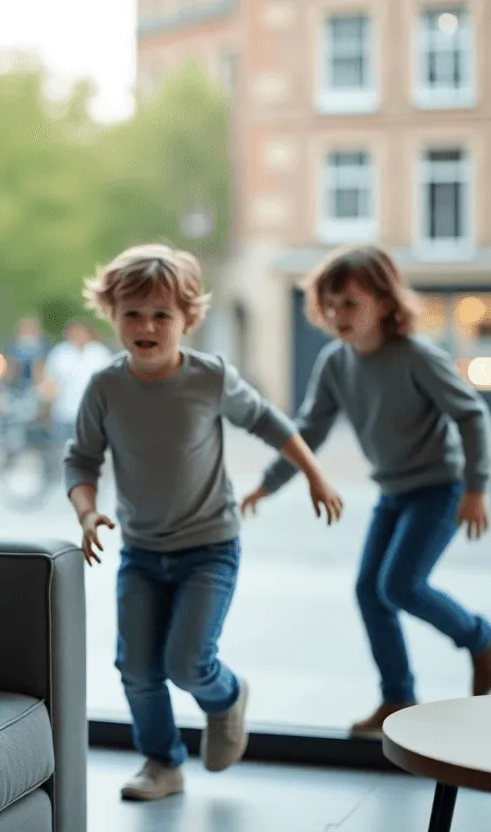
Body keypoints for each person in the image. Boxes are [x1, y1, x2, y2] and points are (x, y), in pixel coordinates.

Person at [63, 243, 344, 801]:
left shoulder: (209, 378)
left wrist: (313, 474)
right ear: (111, 315)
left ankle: (226, 697)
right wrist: (89, 512)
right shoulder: (105, 388)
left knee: (187, 663)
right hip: (141, 552)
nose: (146, 326)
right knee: (137, 669)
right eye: (133, 313)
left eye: (161, 314)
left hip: (209, 547)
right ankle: (162, 764)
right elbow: (81, 460)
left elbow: (268, 422)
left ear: (188, 319)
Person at [241, 245, 491, 739]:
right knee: (370, 590)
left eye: (351, 303)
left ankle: (482, 637)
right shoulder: (335, 363)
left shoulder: (416, 355)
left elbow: (471, 414)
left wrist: (476, 488)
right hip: (393, 492)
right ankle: (398, 697)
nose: (338, 315)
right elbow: (309, 430)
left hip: (439, 489)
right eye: (330, 304)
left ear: (385, 303)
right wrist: (267, 484)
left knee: (400, 585)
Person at [43, 319, 114, 442]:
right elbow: (50, 382)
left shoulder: (99, 353)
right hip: (64, 413)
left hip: (92, 415)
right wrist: (47, 406)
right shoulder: (60, 353)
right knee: (63, 453)